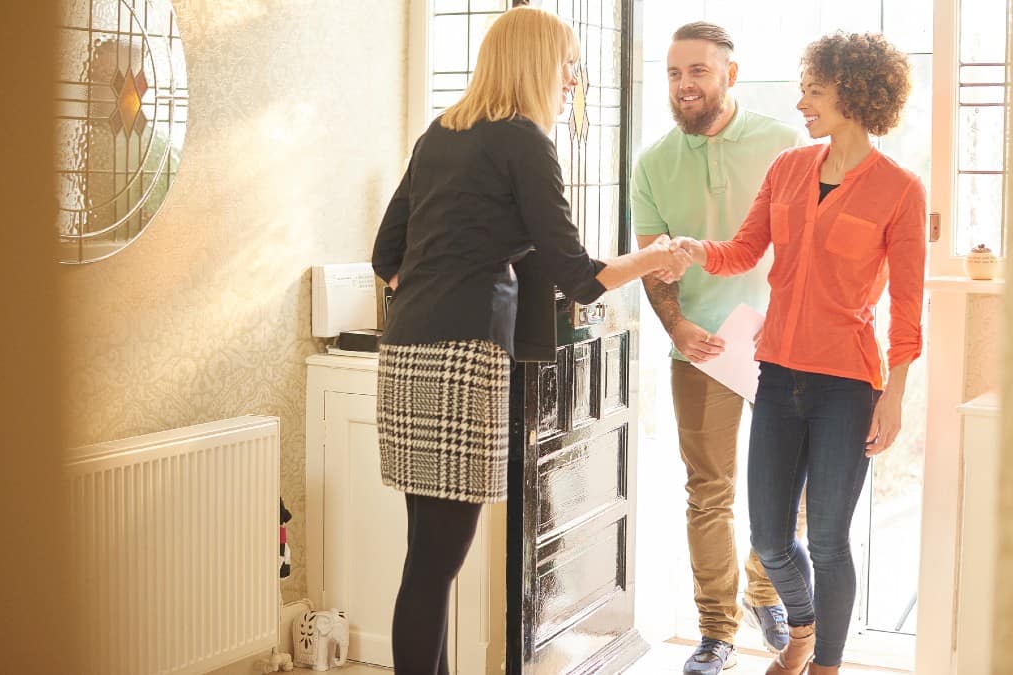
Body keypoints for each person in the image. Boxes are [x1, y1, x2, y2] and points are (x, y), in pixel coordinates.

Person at [370, 7, 691, 674]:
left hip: (405, 351)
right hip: (463, 357)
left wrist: (448, 274)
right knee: (437, 561)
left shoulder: (440, 133)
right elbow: (576, 275)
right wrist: (654, 255)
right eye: (567, 63)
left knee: (425, 556)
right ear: (536, 65)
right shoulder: (523, 139)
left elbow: (386, 253)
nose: (573, 77)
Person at [681, 32, 925, 675]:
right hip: (777, 373)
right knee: (767, 536)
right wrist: (691, 249)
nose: (802, 103)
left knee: (827, 539)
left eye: (814, 91)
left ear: (854, 93)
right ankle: (806, 628)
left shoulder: (899, 190)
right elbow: (741, 251)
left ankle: (825, 665)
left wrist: (894, 397)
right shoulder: (788, 170)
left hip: (847, 385)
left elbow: (907, 307)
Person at [631, 21, 808, 673]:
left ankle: (768, 588)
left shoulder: (784, 143)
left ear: (730, 75)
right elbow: (653, 264)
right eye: (675, 73)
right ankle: (716, 631)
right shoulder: (652, 164)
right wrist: (676, 326)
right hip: (701, 348)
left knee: (796, 481)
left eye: (698, 72)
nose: (684, 86)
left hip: (785, 341)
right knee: (709, 490)